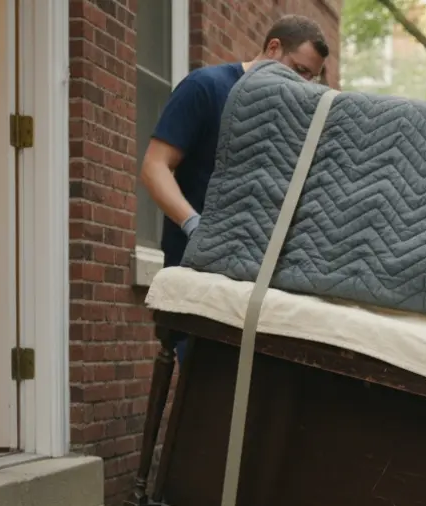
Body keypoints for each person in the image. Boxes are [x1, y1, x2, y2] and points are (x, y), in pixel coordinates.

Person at [139, 15, 331, 360]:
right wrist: (194, 225)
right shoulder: (206, 87)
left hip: (259, 283)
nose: (304, 83)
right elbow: (155, 167)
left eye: (311, 77)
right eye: (298, 69)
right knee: (200, 395)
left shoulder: (295, 110)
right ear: (273, 47)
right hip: (196, 271)